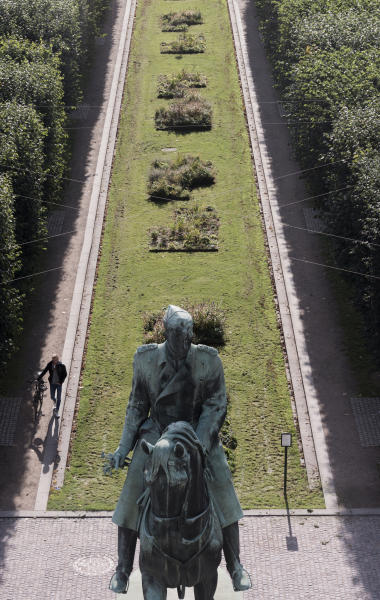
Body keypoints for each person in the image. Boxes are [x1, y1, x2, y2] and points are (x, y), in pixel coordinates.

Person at [109, 305, 252, 594]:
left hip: (196, 434)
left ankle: (235, 565)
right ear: (167, 332)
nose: (187, 338)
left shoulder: (208, 360)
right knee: (133, 489)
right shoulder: (145, 358)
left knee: (221, 484)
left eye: (189, 332)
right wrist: (123, 448)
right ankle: (123, 568)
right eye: (180, 333)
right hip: (158, 433)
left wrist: (199, 445)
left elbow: (216, 404)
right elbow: (137, 405)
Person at [38, 353, 67, 418]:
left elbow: (65, 374)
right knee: (52, 396)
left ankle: (56, 411)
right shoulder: (50, 364)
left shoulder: (61, 366)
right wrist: (38, 379)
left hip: (59, 384)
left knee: (59, 398)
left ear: (58, 359)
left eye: (56, 360)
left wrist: (61, 382)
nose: (55, 362)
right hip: (52, 384)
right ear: (52, 360)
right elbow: (44, 371)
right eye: (54, 360)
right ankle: (55, 401)